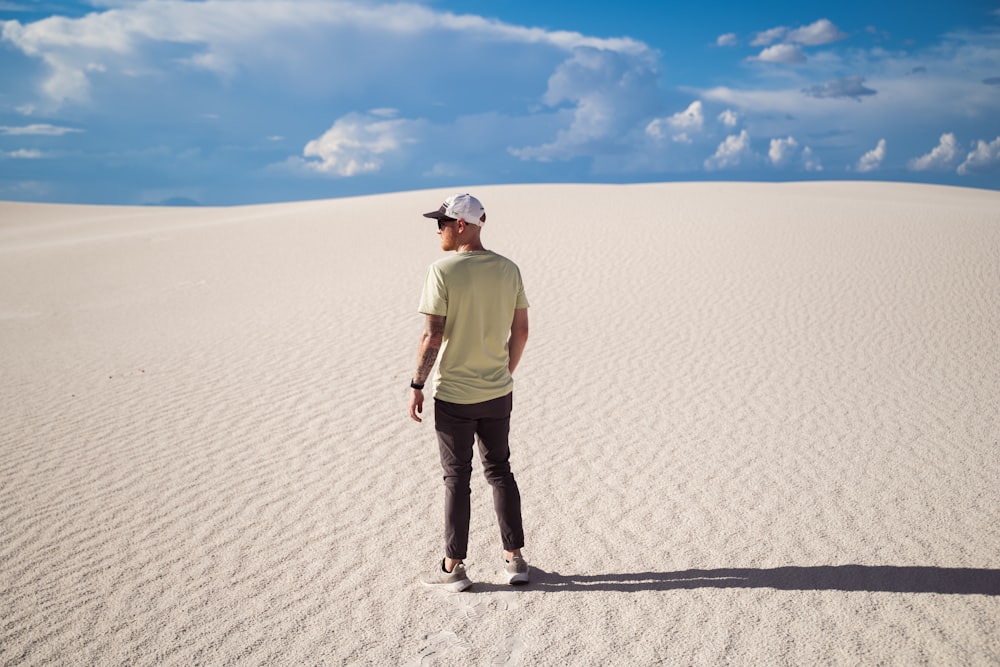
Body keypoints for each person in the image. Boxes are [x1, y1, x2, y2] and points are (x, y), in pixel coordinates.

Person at [408, 193, 530, 592]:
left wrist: (417, 384)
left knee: (457, 479)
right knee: (500, 472)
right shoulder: (509, 269)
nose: (438, 230)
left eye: (442, 222)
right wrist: (502, 373)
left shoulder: (442, 270)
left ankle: (454, 567)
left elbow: (432, 335)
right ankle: (515, 561)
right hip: (498, 391)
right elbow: (522, 331)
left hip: (455, 396)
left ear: (461, 225)